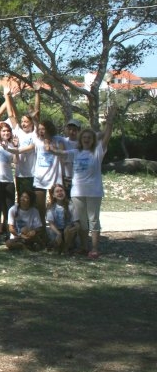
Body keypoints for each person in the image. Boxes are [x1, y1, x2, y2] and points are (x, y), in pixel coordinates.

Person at [51, 105, 116, 259]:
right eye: (84, 137)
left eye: (89, 138)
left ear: (93, 140)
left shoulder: (98, 151)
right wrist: (50, 147)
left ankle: (94, 248)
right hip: (77, 192)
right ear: (81, 139)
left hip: (94, 191)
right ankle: (84, 246)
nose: (86, 139)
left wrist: (110, 122)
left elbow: (106, 136)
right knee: (81, 221)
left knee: (93, 220)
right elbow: (60, 152)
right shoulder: (75, 152)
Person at [45, 183, 80, 254]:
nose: (60, 193)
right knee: (56, 238)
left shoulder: (70, 205)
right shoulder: (51, 207)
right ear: (53, 195)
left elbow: (76, 222)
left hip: (68, 231)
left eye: (61, 191)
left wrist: (75, 228)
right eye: (57, 192)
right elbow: (51, 224)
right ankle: (58, 246)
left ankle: (66, 248)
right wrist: (59, 234)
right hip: (56, 231)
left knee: (68, 229)